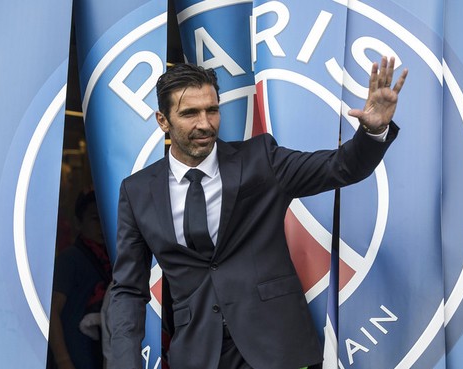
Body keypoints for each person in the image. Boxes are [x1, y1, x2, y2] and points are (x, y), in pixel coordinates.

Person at [108, 56, 408, 369]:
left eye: (212, 110)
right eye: (189, 113)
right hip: (197, 355)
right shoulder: (137, 191)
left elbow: (341, 167)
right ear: (163, 120)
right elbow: (128, 289)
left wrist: (373, 131)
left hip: (277, 348)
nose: (205, 123)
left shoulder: (261, 160)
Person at [49, 190, 112, 369]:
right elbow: (53, 311)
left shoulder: (114, 258)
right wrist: (63, 360)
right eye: (95, 219)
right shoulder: (71, 258)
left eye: (106, 217)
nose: (102, 225)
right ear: (78, 223)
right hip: (76, 359)